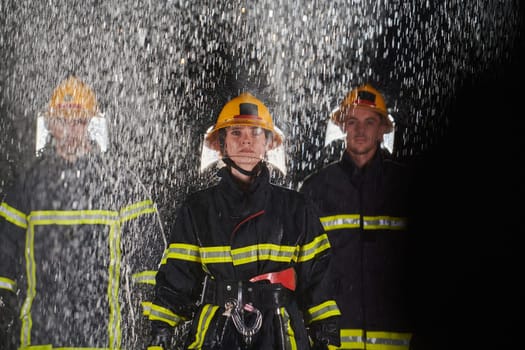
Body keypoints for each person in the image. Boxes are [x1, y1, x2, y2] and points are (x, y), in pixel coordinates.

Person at [147, 92, 341, 350]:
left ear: (269, 144)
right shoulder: (198, 209)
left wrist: (326, 337)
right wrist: (160, 333)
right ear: (222, 144)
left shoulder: (296, 208)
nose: (246, 142)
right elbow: (176, 280)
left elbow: (319, 281)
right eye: (236, 133)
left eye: (256, 133)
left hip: (282, 333)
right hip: (217, 332)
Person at [0, 76, 166, 349]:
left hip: (106, 340)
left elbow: (150, 262)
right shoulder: (26, 187)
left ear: (90, 124)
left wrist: (152, 325)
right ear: (50, 124)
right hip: (40, 340)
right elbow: (4, 259)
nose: (71, 131)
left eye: (78, 121)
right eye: (63, 121)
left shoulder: (122, 184)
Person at [300, 84, 414, 349]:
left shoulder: (407, 185)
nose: (360, 130)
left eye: (369, 122)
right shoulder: (315, 189)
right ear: (343, 127)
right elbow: (304, 269)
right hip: (333, 341)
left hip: (397, 340)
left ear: (383, 129)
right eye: (352, 121)